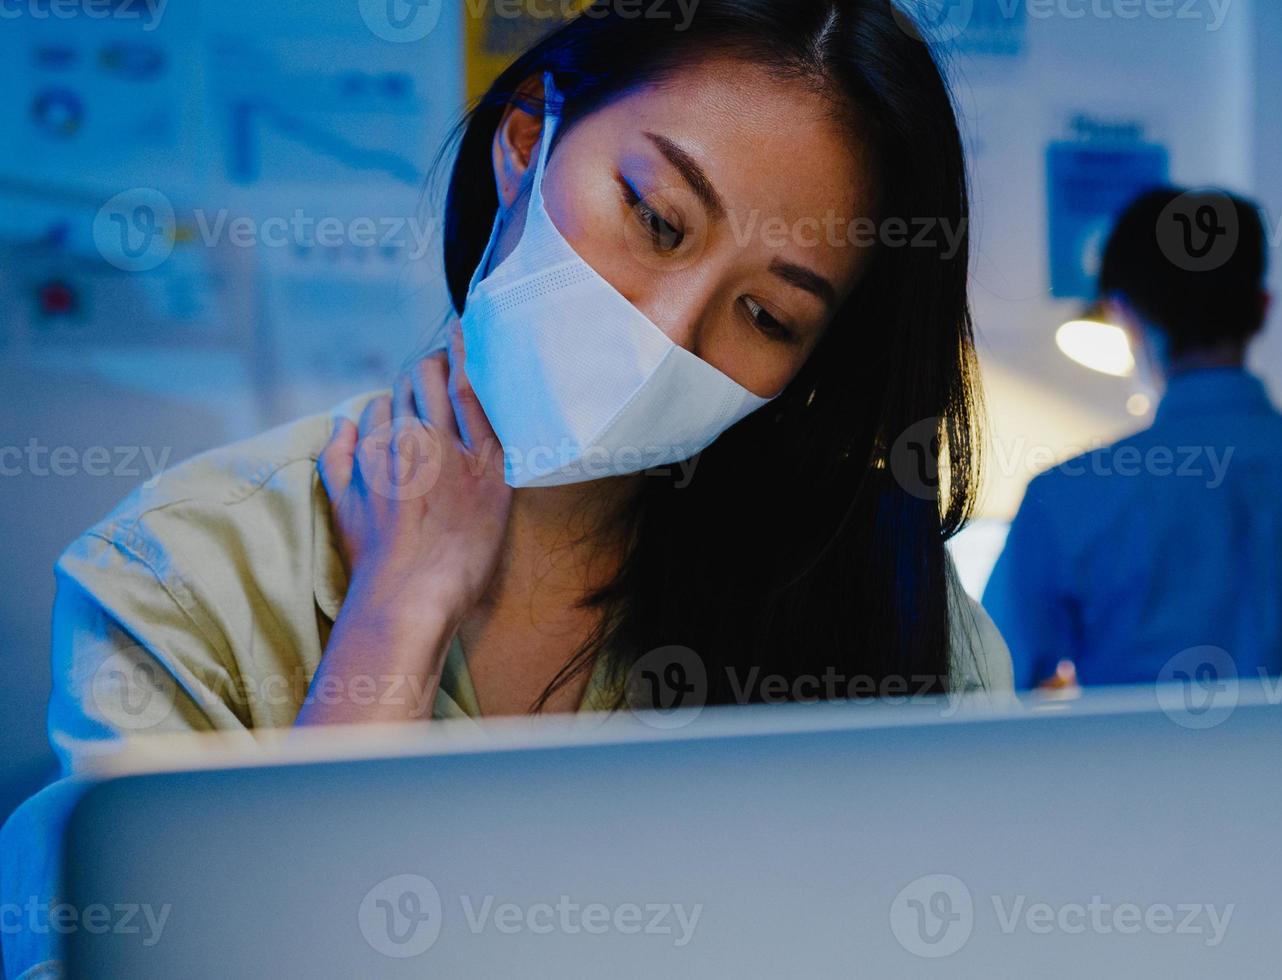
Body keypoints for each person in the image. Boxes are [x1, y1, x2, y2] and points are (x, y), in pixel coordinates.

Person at [2, 3, 1011, 974]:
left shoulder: (892, 610)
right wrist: (396, 610)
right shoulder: (183, 572)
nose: (670, 328)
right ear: (525, 139)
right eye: (656, 219)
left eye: (766, 314)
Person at [983, 187, 1282, 691]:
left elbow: (994, 684)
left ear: (1121, 315)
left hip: (1141, 770)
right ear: (1262, 310)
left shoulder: (1065, 498)